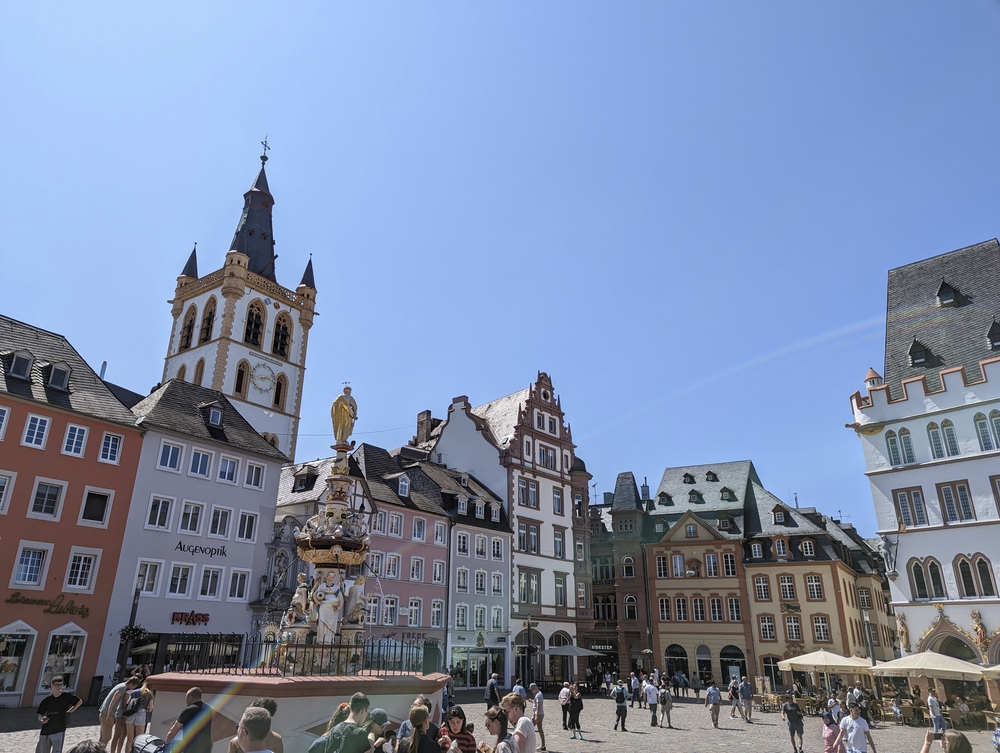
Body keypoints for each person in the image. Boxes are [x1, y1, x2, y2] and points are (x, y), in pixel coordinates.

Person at [36, 675, 82, 753]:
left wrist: (70, 711)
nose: (59, 687)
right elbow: (40, 714)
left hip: (59, 728)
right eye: (57, 685)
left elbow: (79, 701)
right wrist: (42, 719)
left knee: (57, 751)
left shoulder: (66, 696)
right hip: (46, 730)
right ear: (52, 685)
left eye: (61, 685)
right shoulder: (46, 700)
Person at [165, 687, 214, 753]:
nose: (186, 700)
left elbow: (172, 731)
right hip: (205, 748)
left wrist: (166, 744)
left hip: (191, 748)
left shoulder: (188, 710)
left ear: (191, 697)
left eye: (186, 697)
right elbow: (205, 728)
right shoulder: (208, 709)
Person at [98, 676, 138, 751]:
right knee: (107, 737)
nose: (132, 688)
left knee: (102, 737)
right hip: (107, 713)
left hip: (103, 711)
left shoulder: (120, 685)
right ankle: (100, 751)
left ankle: (96, 751)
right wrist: (109, 715)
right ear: (131, 684)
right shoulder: (122, 688)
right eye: (134, 686)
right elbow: (113, 701)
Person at [127, 680, 156, 751]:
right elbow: (151, 708)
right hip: (141, 714)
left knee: (129, 740)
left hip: (131, 714)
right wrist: (146, 710)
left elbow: (128, 703)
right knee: (138, 740)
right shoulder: (149, 694)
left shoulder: (135, 692)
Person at [527, 683, 545, 752]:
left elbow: (538, 706)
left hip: (538, 714)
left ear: (534, 689)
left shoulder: (538, 695)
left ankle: (527, 744)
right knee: (540, 730)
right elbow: (536, 703)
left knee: (529, 728)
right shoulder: (538, 694)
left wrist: (536, 716)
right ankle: (543, 746)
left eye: (531, 690)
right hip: (540, 714)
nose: (531, 692)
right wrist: (532, 701)